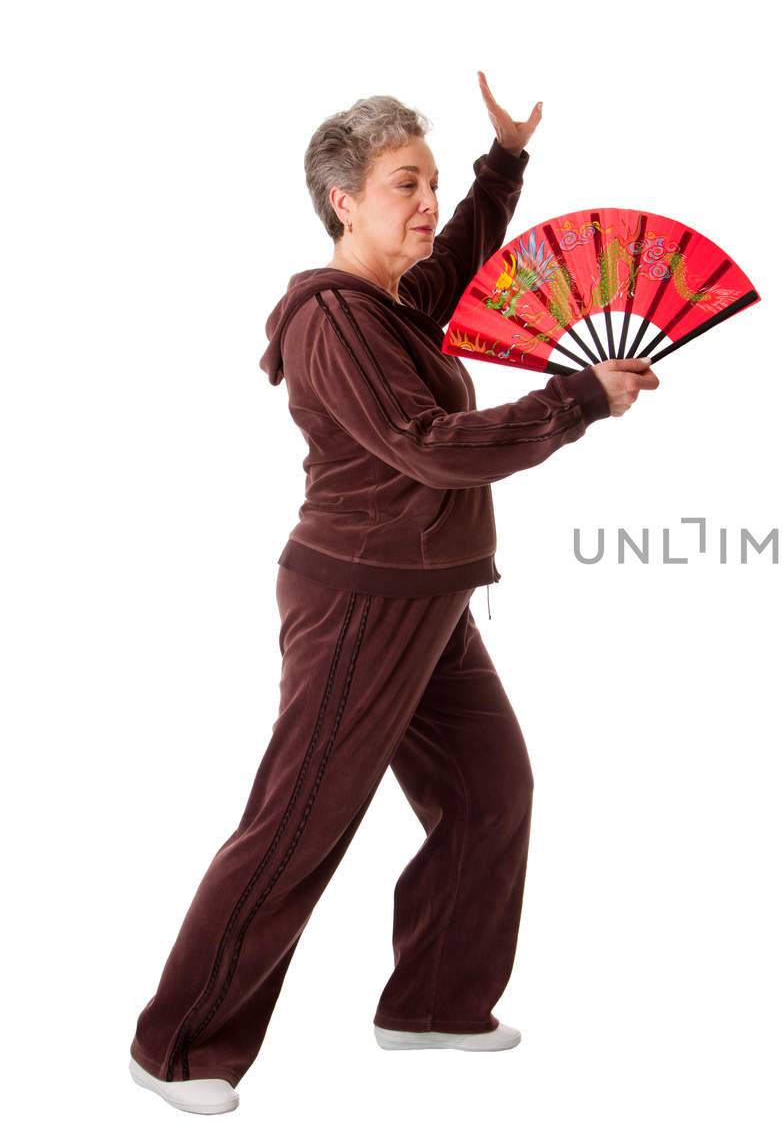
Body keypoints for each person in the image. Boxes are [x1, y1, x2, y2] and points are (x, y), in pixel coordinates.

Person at [129, 75, 660, 1115]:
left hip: (431, 594)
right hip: (364, 601)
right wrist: (578, 400)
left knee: (487, 793)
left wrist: (503, 160)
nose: (426, 201)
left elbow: (458, 261)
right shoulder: (337, 321)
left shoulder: (394, 302)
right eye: (403, 183)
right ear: (342, 200)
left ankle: (433, 1003)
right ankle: (177, 1044)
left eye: (430, 180)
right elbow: (431, 450)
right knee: (297, 824)